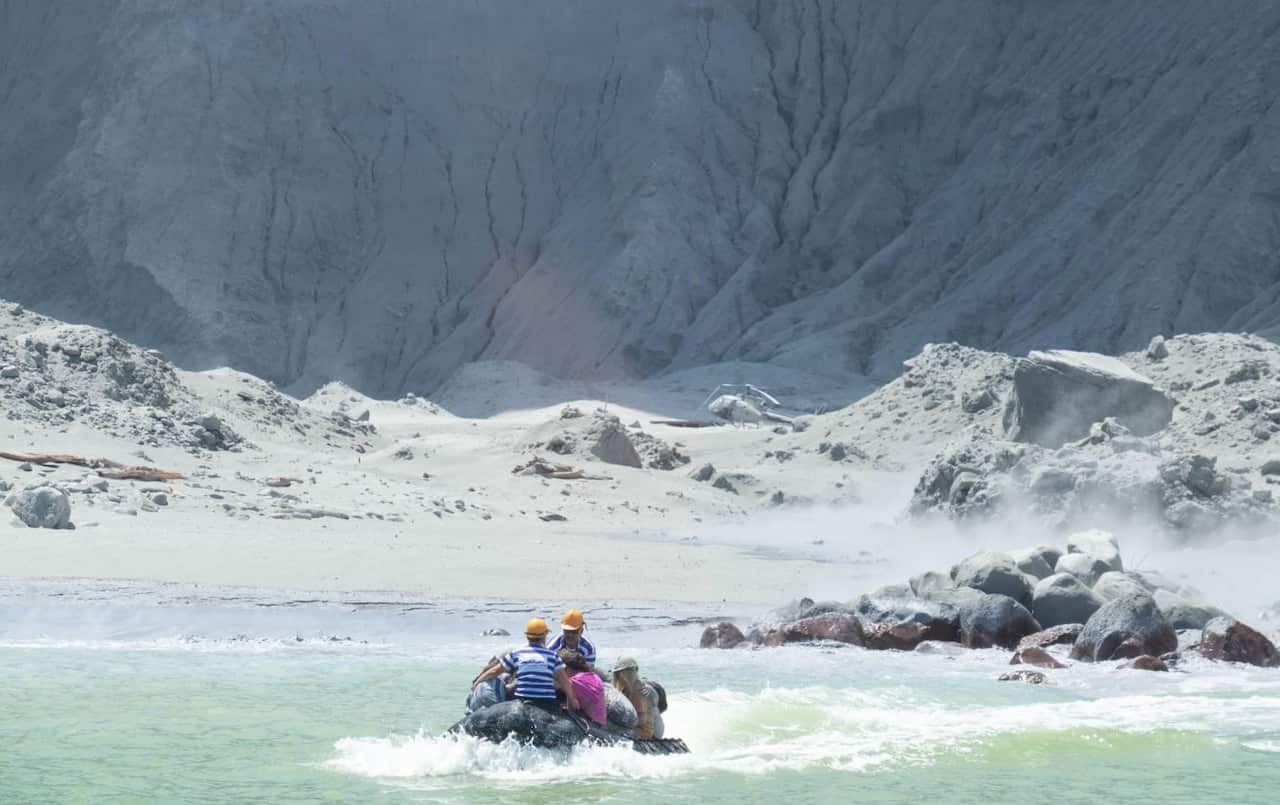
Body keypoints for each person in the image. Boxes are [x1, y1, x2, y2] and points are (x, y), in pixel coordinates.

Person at [475, 618, 579, 714]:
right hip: (547, 704)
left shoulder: (517, 653)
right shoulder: (553, 656)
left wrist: (477, 682)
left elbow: (494, 672)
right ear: (545, 636)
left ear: (527, 636)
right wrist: (573, 700)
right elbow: (565, 681)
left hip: (522, 701)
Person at [610, 656, 664, 739]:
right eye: (620, 673)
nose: (622, 676)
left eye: (626, 672)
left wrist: (620, 723)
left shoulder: (638, 690)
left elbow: (642, 719)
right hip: (639, 727)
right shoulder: (627, 689)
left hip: (643, 731)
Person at [563, 652, 607, 726]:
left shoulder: (573, 682)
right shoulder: (596, 677)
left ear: (568, 668)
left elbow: (571, 709)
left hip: (588, 723)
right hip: (601, 722)